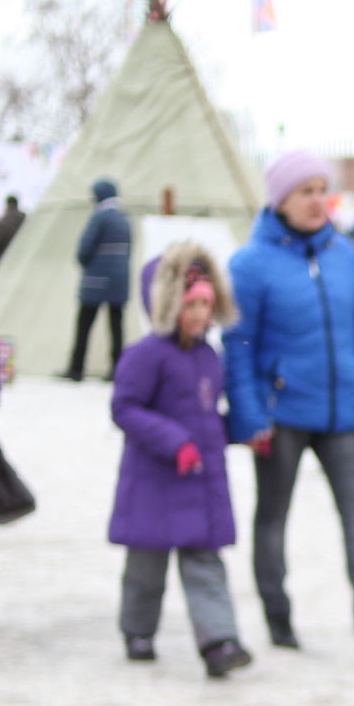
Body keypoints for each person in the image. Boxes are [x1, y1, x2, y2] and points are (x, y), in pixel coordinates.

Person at [227, 150, 354, 654]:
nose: (317, 200)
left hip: (346, 408)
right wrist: (250, 415)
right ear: (280, 199)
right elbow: (237, 348)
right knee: (273, 517)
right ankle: (278, 617)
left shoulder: (344, 252)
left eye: (321, 188)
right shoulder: (249, 264)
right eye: (305, 190)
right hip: (280, 416)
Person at [111, 243, 250, 676]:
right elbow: (125, 407)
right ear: (166, 304)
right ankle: (137, 630)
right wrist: (174, 442)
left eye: (206, 304)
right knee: (146, 567)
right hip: (155, 478)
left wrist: (240, 432)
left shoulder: (209, 357)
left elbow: (207, 416)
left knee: (205, 562)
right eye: (190, 304)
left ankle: (219, 642)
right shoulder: (146, 354)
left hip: (199, 482)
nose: (199, 314)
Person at [67, 178, 131, 381]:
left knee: (84, 324)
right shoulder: (124, 218)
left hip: (96, 279)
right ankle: (116, 369)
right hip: (119, 281)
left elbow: (84, 248)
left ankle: (76, 369)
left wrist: (83, 261)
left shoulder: (99, 217)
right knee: (116, 326)